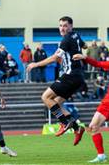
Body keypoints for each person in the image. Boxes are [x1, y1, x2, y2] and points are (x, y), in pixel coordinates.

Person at [27, 16, 87, 146]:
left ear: (71, 26)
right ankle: (77, 128)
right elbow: (85, 45)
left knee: (45, 97)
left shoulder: (66, 39)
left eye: (65, 25)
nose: (62, 28)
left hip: (70, 75)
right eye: (60, 25)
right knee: (57, 103)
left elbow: (54, 58)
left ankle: (64, 123)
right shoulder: (76, 35)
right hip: (78, 77)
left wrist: (35, 64)